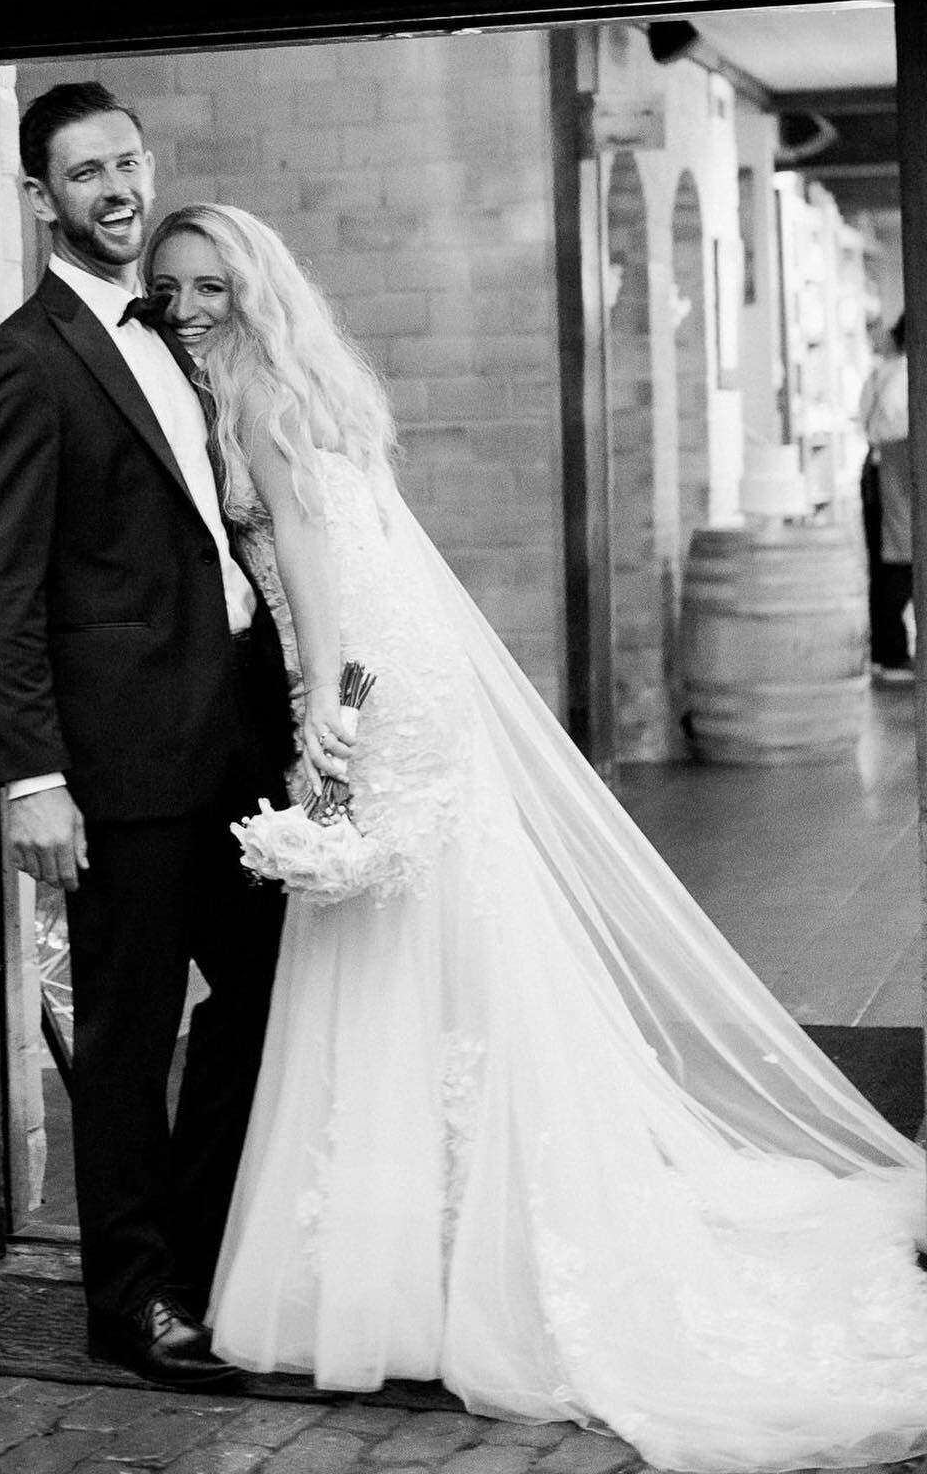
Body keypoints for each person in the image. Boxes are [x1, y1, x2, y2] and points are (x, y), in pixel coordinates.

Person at [142, 202, 927, 1473]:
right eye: (171, 290)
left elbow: (331, 602)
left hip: (372, 703)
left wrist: (322, 752)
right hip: (416, 691)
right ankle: (461, 1238)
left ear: (254, 293)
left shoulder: (258, 412)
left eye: (210, 288)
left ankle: (416, 1268)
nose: (186, 309)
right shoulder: (316, 388)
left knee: (382, 961)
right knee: (447, 961)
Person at [0, 89, 303, 1390]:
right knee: (123, 1038)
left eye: (127, 162)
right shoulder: (25, 359)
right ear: (41, 197)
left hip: (234, 752)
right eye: (84, 172)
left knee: (268, 996)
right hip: (118, 775)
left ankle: (199, 1263)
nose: (115, 187)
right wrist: (33, 776)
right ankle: (133, 1302)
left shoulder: (179, 327)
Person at [859, 313, 913, 683]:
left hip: (882, 471)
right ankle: (891, 653)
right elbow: (889, 424)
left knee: (888, 562)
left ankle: (886, 651)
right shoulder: (903, 374)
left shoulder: (887, 371)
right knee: (897, 560)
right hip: (893, 473)